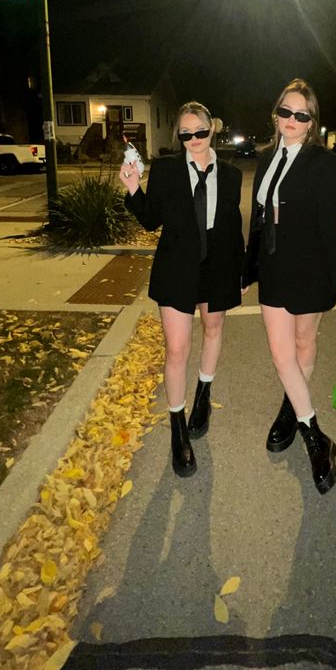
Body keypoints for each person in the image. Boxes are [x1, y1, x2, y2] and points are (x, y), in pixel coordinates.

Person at [243, 78, 336, 494]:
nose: (291, 120)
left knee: (303, 345)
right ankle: (318, 440)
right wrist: (248, 270)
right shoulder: (265, 160)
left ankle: (289, 409)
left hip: (312, 267)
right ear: (275, 113)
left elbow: (331, 227)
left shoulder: (326, 165)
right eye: (285, 112)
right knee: (283, 356)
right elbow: (258, 220)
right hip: (275, 269)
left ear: (312, 121)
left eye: (302, 115)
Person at [120, 102, 244, 478]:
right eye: (185, 134)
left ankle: (203, 394)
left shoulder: (232, 175)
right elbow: (150, 219)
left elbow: (231, 225)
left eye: (199, 132)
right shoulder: (167, 170)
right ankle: (177, 429)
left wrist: (240, 269)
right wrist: (132, 190)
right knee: (177, 348)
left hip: (217, 266)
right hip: (177, 267)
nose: (192, 139)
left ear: (212, 131)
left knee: (213, 329)